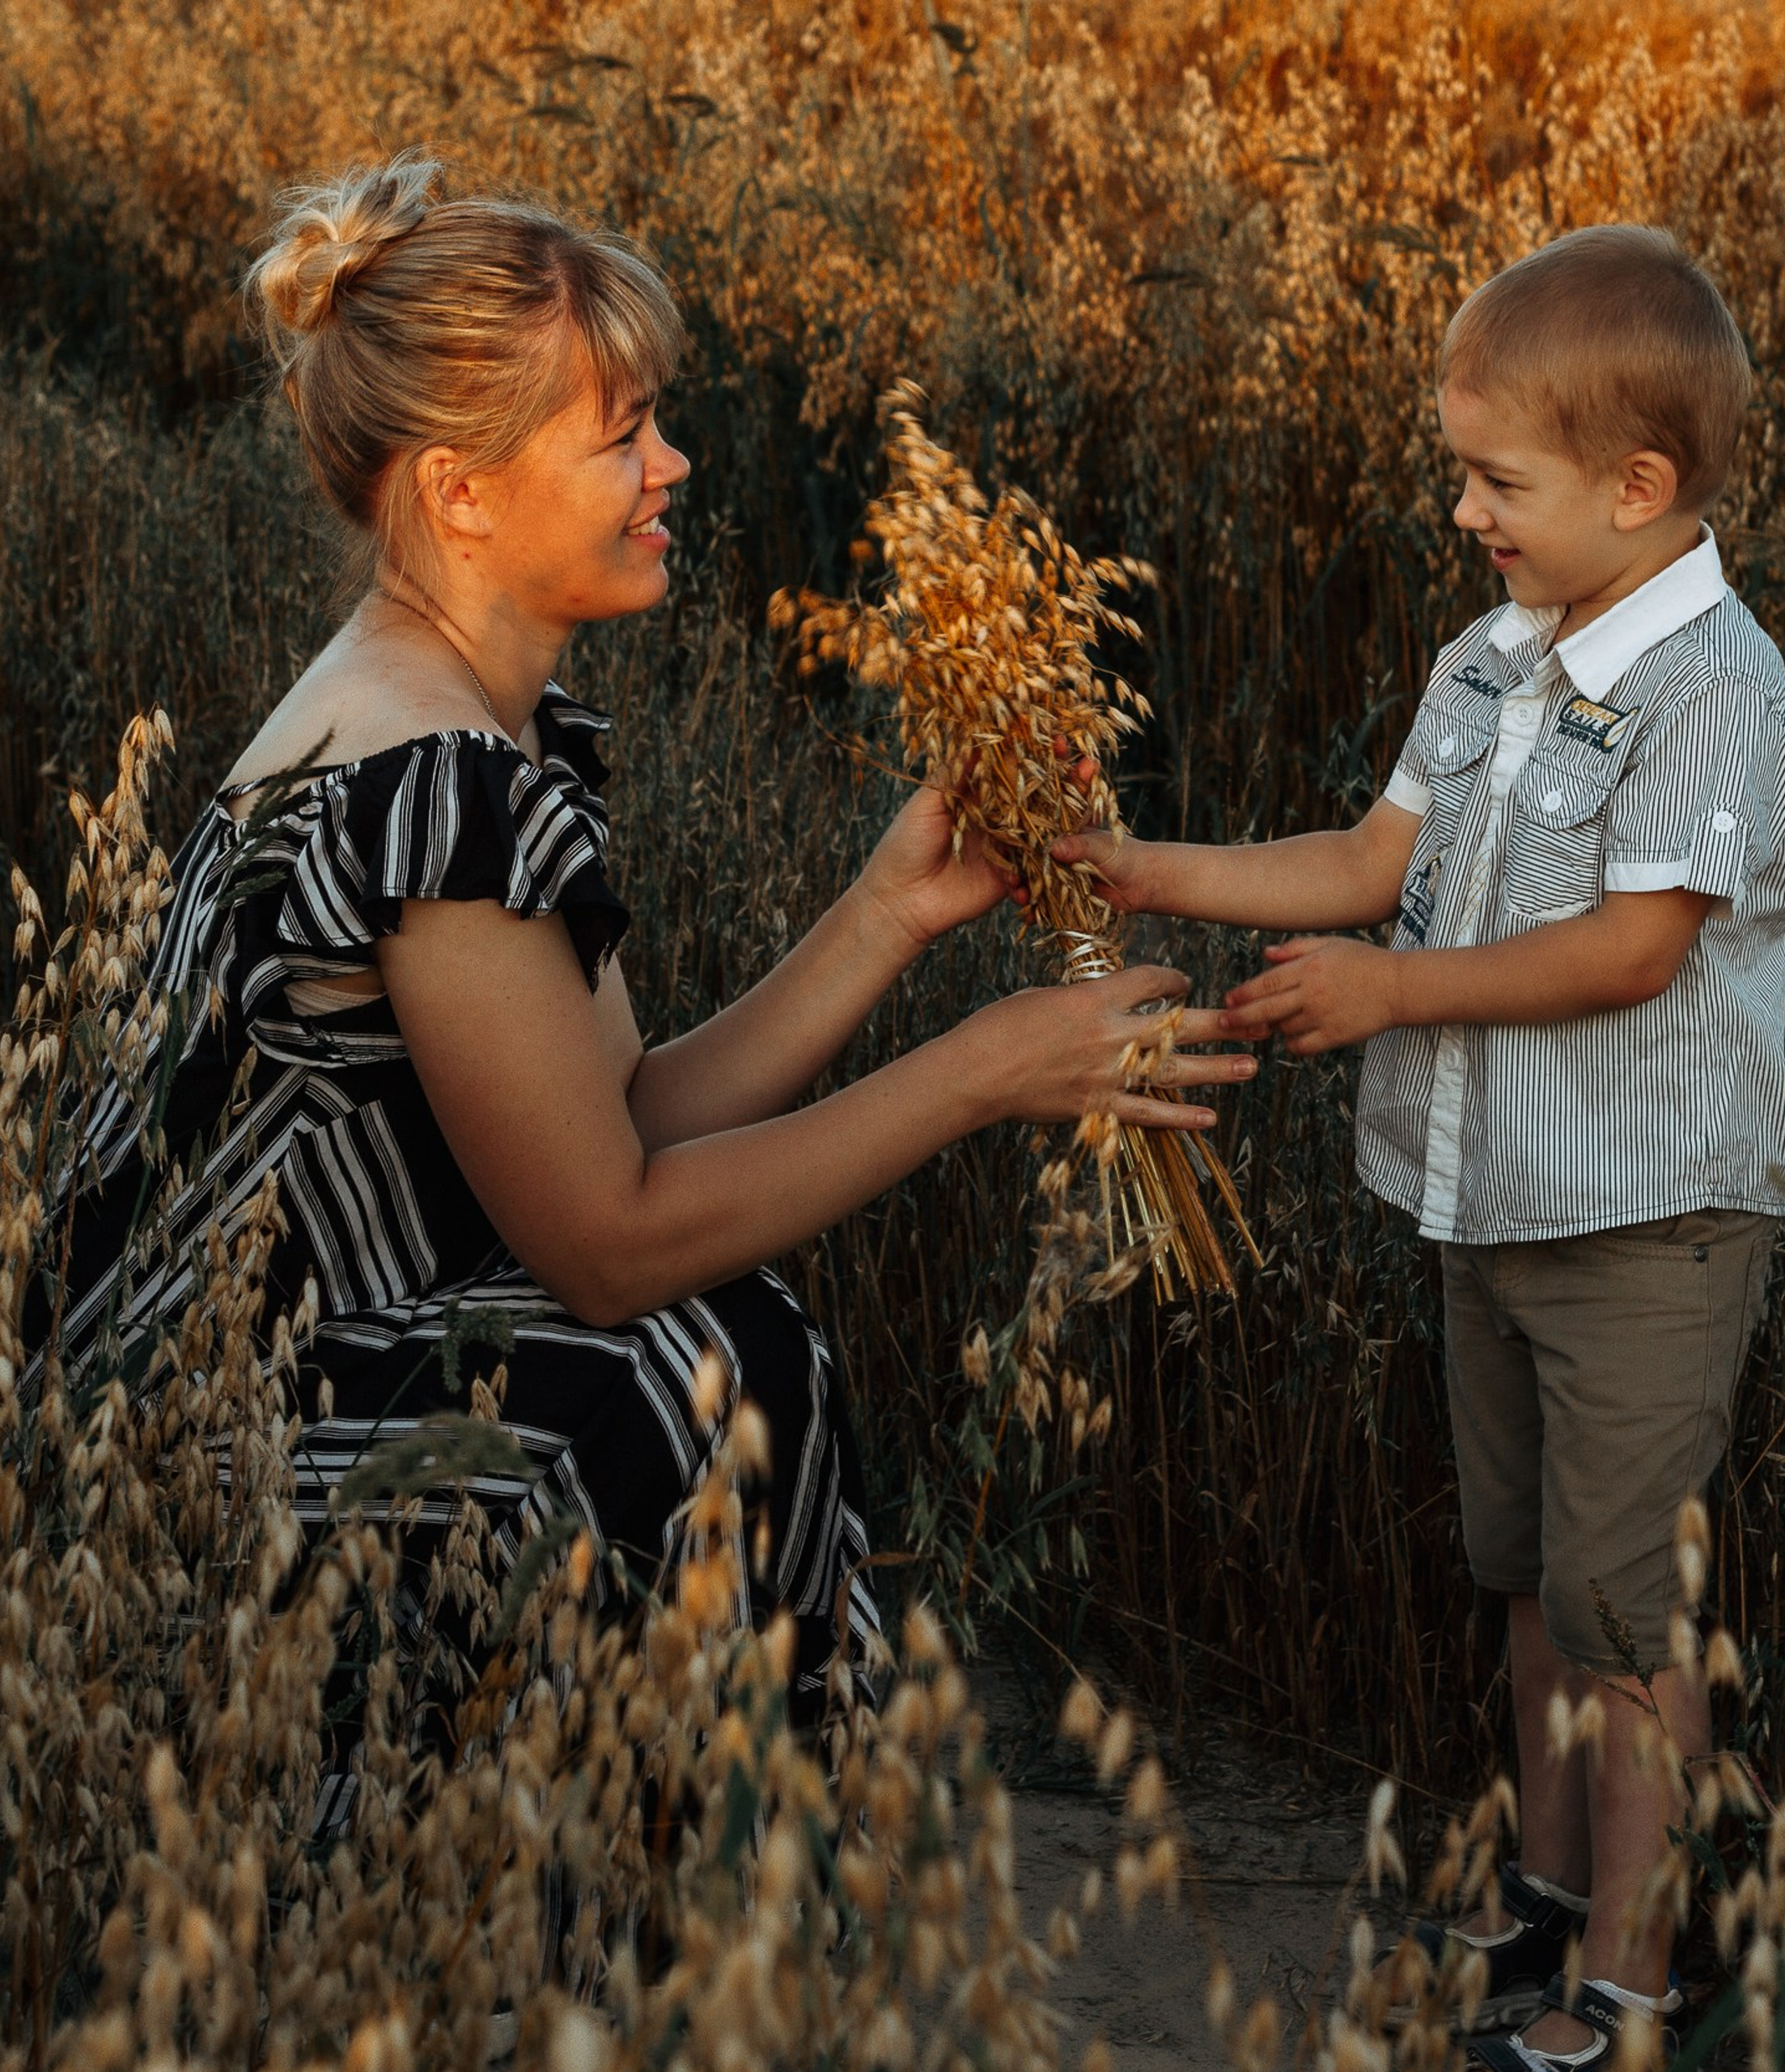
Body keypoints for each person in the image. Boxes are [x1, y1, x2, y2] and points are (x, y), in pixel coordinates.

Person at [23, 154, 1253, 1816]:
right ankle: (593, 1930)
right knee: (662, 1378)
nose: (671, 462)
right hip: (180, 1464)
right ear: (460, 493)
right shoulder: (425, 776)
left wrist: (887, 911)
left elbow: (620, 1114)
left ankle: (718, 1909)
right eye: (620, 431)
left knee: (727, 1331)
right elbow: (603, 1239)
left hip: (335, 1355)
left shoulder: (471, 724)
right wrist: (980, 1068)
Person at [1054, 226, 1785, 2068]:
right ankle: (1548, 1898)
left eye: (1497, 478)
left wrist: (1390, 1001)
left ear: (1637, 488)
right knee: (1523, 1576)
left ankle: (1629, 1986)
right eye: (1458, 471)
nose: (1462, 507)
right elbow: (1368, 865)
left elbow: (1637, 945)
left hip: (1645, 1215)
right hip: (1488, 1202)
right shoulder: (1483, 663)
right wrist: (1143, 865)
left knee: (1627, 1617)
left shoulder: (1710, 690)